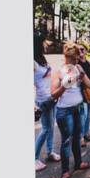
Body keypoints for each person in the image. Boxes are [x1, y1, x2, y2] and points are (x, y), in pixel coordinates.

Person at [50, 42, 90, 178]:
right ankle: (65, 171)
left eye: (76, 58)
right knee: (66, 141)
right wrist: (64, 86)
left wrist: (82, 75)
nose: (76, 61)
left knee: (77, 137)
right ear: (66, 57)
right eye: (73, 59)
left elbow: (89, 84)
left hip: (79, 108)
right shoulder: (58, 72)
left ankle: (78, 163)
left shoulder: (78, 67)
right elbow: (53, 95)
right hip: (64, 111)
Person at [34, 36, 60, 170]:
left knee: (51, 127)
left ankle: (50, 152)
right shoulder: (33, 62)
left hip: (52, 98)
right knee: (45, 129)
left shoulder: (42, 60)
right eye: (44, 42)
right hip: (43, 100)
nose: (46, 45)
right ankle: (34, 158)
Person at [77, 44, 90, 145]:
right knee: (83, 115)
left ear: (85, 51)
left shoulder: (89, 63)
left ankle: (86, 133)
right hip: (81, 92)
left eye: (82, 49)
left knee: (88, 114)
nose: (80, 51)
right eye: (78, 50)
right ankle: (80, 137)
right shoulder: (77, 64)